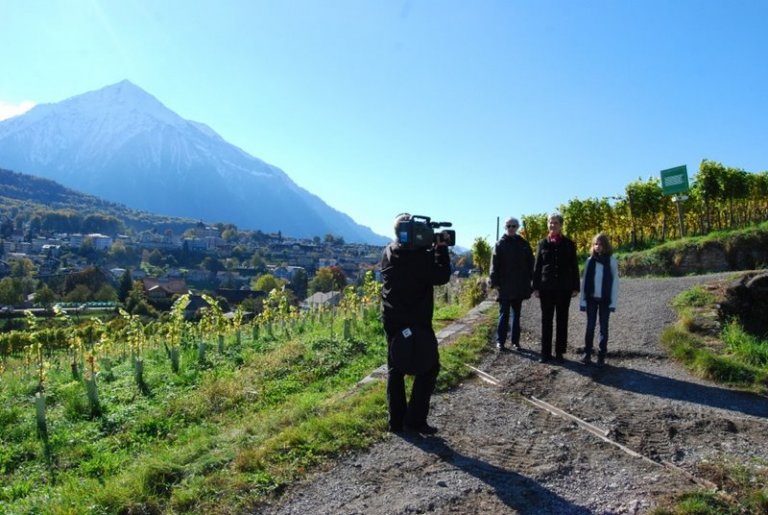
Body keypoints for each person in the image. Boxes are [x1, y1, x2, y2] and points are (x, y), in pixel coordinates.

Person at [381, 213, 452, 434]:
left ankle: (397, 421)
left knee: (396, 368)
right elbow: (441, 276)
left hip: (392, 319)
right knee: (429, 367)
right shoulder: (421, 257)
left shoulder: (389, 251)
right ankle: (415, 421)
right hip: (417, 322)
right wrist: (440, 249)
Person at [532, 213, 580, 363]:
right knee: (546, 321)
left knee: (562, 320)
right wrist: (536, 287)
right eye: (550, 223)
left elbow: (574, 266)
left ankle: (559, 353)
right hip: (546, 289)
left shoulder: (569, 244)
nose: (552, 225)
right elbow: (537, 266)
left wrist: (575, 286)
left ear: (561, 225)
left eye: (555, 223)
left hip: (564, 289)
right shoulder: (542, 244)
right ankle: (545, 353)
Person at [489, 217, 534, 351]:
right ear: (505, 228)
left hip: (519, 285)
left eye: (514, 226)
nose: (511, 228)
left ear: (517, 227)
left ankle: (515, 342)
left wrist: (531, 280)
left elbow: (531, 263)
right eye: (509, 226)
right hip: (504, 285)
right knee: (504, 314)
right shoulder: (499, 244)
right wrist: (495, 282)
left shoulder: (523, 244)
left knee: (516, 315)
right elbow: (494, 265)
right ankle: (500, 341)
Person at [579, 233, 619, 367]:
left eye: (601, 244)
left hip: (605, 300)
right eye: (596, 244)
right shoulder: (590, 261)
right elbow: (584, 283)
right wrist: (582, 301)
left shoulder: (611, 261)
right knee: (590, 326)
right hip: (591, 299)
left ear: (606, 245)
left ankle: (601, 356)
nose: (598, 246)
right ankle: (587, 354)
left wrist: (613, 303)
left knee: (603, 327)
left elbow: (615, 282)